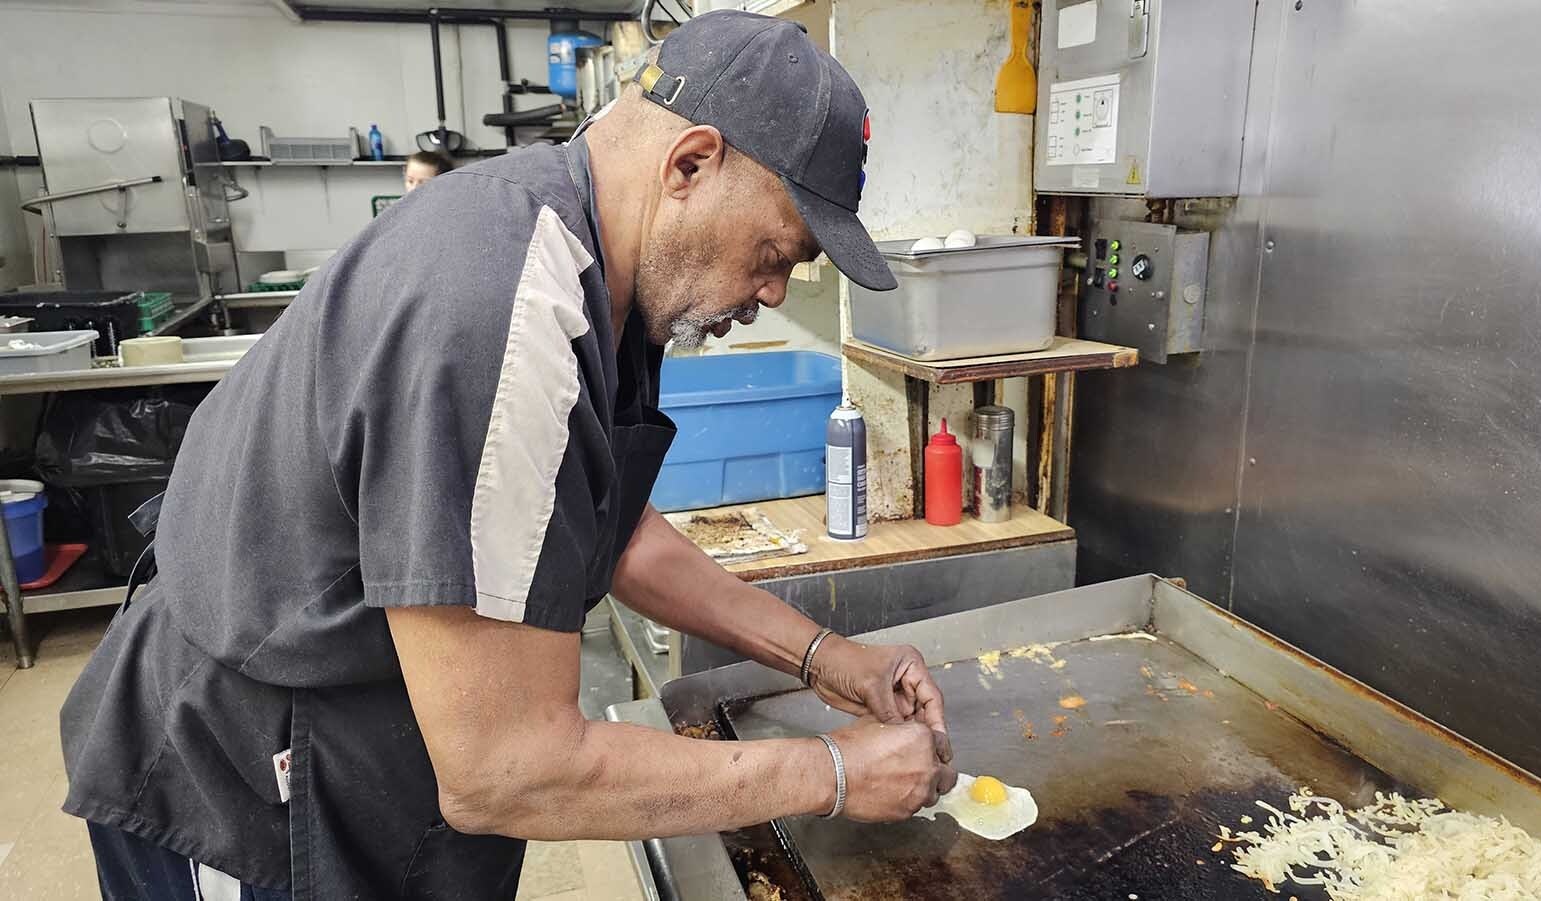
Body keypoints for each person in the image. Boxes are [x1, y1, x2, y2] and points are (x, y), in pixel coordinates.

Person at [60, 11, 955, 899]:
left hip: (366, 750)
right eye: (774, 251)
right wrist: (832, 773)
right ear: (690, 164)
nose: (770, 290)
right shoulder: (503, 314)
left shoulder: (602, 266)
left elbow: (615, 532)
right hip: (244, 783)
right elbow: (504, 768)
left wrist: (827, 656)